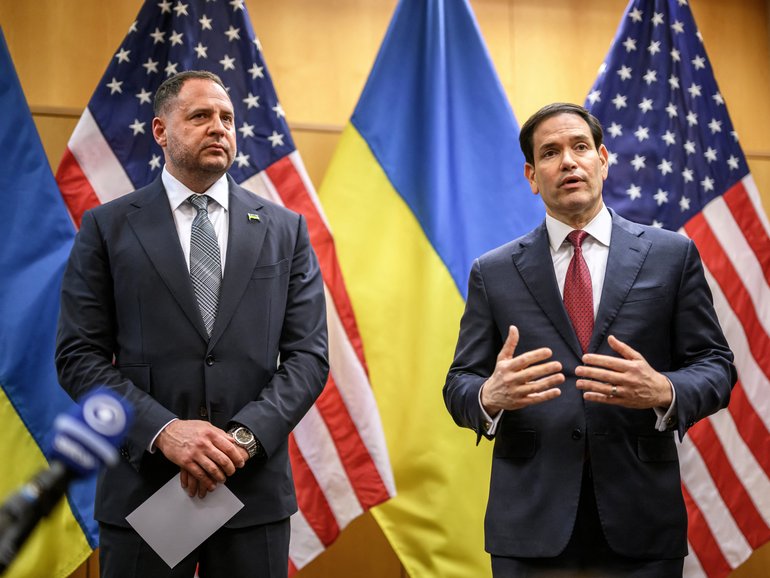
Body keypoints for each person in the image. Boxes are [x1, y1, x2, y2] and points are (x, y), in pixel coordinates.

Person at [443, 102, 736, 577]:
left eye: (580, 147)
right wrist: (487, 396)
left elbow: (716, 365)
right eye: (551, 153)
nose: (568, 161)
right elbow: (459, 382)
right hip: (530, 525)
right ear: (532, 175)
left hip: (640, 518)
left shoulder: (670, 255)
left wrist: (664, 391)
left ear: (603, 159)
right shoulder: (493, 272)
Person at [56, 70, 328, 578]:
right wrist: (166, 433)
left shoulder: (285, 230)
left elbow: (309, 358)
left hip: (252, 495)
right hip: (145, 492)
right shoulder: (107, 227)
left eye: (227, 117)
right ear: (161, 131)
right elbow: (78, 358)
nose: (219, 128)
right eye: (200, 116)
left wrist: (240, 442)